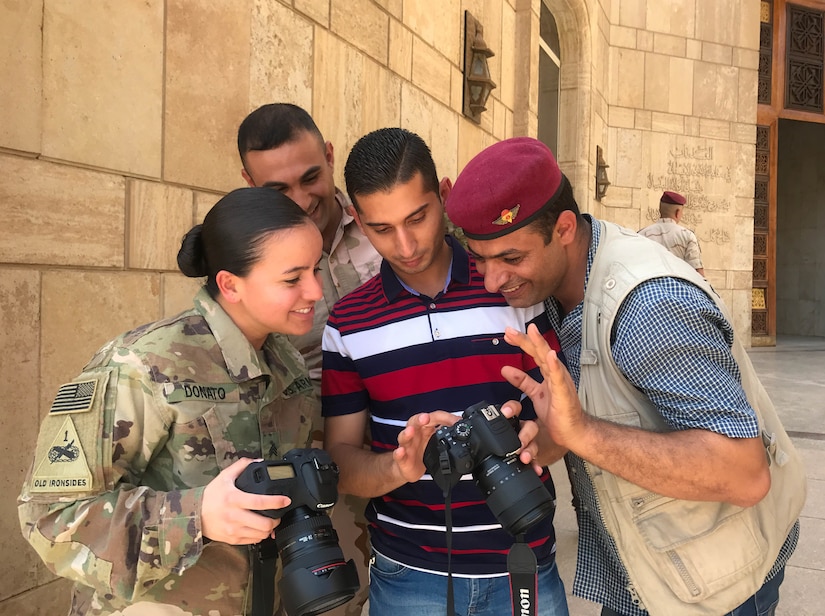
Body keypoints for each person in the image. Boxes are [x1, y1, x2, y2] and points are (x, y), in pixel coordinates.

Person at [444, 137, 806, 616]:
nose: (492, 281)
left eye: (511, 258)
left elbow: (744, 473)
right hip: (651, 576)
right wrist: (549, 435)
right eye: (479, 258)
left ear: (565, 228)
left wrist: (585, 432)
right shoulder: (565, 280)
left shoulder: (648, 310)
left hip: (721, 587)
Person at [18, 188, 327, 615]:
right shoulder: (142, 363)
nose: (315, 290)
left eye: (317, 267)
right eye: (293, 278)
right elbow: (49, 519)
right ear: (230, 284)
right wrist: (196, 515)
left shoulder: (285, 361)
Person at [322, 128, 569, 616]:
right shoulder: (346, 323)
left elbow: (563, 429)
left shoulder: (512, 289)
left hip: (523, 565)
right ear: (356, 220)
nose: (407, 244)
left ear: (446, 196)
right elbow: (342, 462)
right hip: (408, 576)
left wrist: (537, 439)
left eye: (418, 216)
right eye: (382, 228)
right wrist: (397, 467)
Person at [238, 103, 381, 421]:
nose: (302, 200)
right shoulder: (248, 267)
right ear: (250, 181)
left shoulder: (385, 226)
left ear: (329, 157)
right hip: (310, 446)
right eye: (279, 189)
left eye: (310, 178)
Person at [638, 190, 705, 276]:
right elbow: (698, 273)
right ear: (677, 213)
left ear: (659, 210)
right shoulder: (687, 236)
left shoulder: (642, 235)